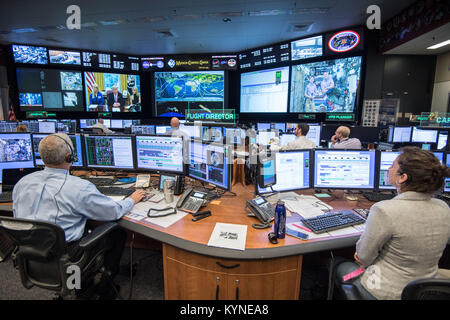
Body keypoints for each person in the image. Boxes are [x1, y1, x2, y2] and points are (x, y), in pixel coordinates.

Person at [12, 133, 146, 299]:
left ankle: (83, 286)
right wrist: (131, 200)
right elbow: (113, 212)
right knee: (116, 233)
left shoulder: (22, 183)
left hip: (31, 255)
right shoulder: (79, 188)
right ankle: (105, 289)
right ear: (70, 156)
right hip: (67, 255)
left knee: (86, 226)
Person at [333, 147, 450, 300]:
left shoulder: (384, 210)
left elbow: (363, 258)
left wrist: (362, 255)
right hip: (424, 290)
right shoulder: (443, 207)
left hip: (383, 291)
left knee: (337, 264)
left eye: (392, 166)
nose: (388, 169)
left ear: (403, 177)